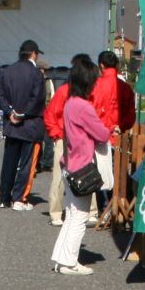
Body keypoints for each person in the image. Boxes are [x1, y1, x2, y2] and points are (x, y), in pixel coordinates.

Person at [49, 58, 111, 276]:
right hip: (82, 166)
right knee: (80, 217)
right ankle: (68, 261)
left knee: (72, 213)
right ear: (88, 82)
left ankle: (61, 257)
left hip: (69, 163)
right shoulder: (83, 106)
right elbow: (102, 134)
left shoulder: (70, 103)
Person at [0, 39, 46, 210]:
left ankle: (4, 197)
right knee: (26, 164)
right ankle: (19, 198)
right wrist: (23, 114)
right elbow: (38, 99)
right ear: (33, 54)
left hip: (11, 125)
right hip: (30, 125)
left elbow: (0, 95)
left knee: (9, 162)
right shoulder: (37, 74)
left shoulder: (6, 71)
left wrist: (10, 112)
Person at [89, 50, 136, 225]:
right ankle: (119, 208)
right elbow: (131, 114)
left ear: (101, 66)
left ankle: (104, 209)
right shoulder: (125, 88)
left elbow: (91, 113)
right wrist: (119, 126)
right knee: (119, 174)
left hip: (100, 138)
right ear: (116, 65)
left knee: (101, 175)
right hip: (120, 137)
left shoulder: (96, 86)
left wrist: (106, 128)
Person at [43, 55, 89, 228]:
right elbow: (50, 114)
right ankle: (55, 212)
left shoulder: (88, 93)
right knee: (59, 177)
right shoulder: (64, 91)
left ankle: (90, 212)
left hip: (82, 140)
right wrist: (57, 135)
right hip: (65, 138)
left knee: (87, 174)